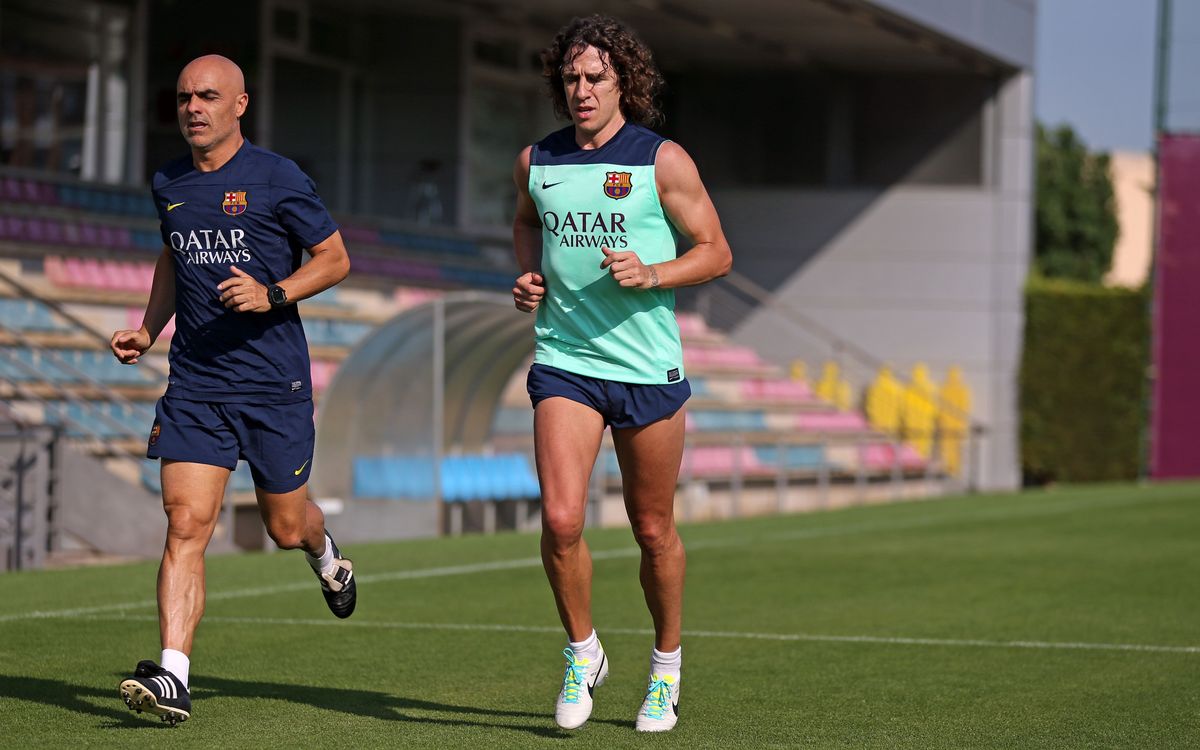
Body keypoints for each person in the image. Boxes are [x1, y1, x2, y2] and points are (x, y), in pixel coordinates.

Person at [109, 54, 355, 726]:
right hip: (195, 383)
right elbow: (173, 251)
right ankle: (174, 675)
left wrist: (272, 292)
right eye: (184, 96)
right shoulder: (168, 181)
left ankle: (325, 552)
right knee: (185, 524)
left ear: (240, 104)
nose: (193, 107)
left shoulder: (278, 178)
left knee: (284, 527)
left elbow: (335, 258)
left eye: (208, 96)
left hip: (274, 385)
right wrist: (149, 328)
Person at [511, 15, 732, 734]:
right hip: (565, 363)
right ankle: (583, 652)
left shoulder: (661, 161)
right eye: (570, 78)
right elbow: (525, 223)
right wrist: (526, 274)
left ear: (623, 83)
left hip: (645, 369)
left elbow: (716, 252)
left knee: (653, 529)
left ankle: (665, 668)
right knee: (561, 519)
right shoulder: (536, 161)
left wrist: (654, 272)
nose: (581, 89)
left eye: (595, 77)